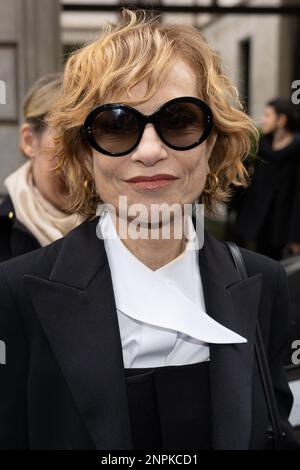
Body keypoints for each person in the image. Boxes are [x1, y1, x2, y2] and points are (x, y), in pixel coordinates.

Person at [0, 8, 299, 450]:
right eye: (117, 126)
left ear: (212, 139)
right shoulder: (15, 292)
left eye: (179, 120)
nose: (150, 150)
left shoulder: (264, 283)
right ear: (85, 153)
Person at [0, 73, 87, 262]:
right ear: (29, 141)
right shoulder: (4, 234)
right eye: (66, 139)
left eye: (89, 139)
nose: (80, 162)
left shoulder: (120, 225)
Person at [233, 97, 300, 260]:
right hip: (259, 221)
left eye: (267, 115)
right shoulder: (263, 145)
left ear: (281, 120)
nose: (262, 120)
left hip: (282, 227)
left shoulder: (297, 151)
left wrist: (295, 236)